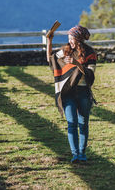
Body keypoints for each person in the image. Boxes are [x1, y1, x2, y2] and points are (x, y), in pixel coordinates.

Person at [46, 25, 97, 163]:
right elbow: (51, 59)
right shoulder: (66, 51)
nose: (70, 41)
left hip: (83, 92)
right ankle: (75, 155)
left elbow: (90, 74)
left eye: (72, 39)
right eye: (69, 39)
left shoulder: (90, 53)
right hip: (68, 92)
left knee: (83, 123)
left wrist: (76, 64)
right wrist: (49, 41)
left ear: (80, 39)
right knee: (72, 122)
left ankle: (82, 153)